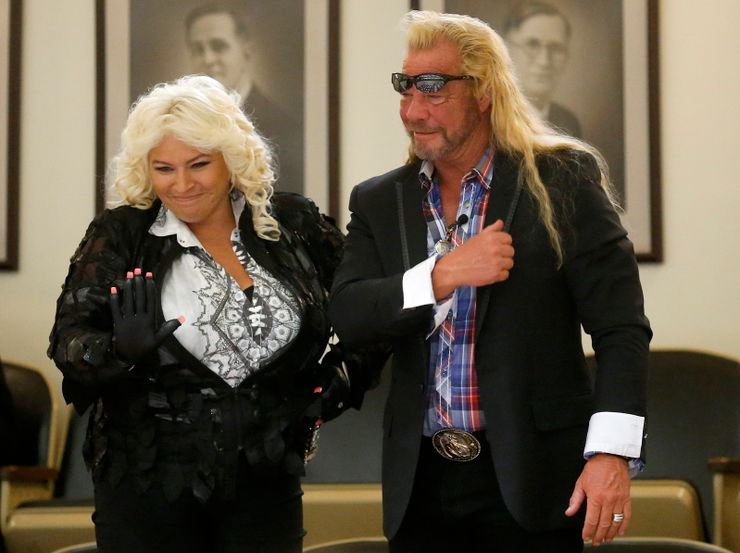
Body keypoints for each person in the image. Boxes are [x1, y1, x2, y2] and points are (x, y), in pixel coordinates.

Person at [329, 10, 650, 553]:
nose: (413, 111)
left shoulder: (562, 179)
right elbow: (350, 315)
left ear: (483, 91)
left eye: (433, 90)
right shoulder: (379, 200)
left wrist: (611, 454)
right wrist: (442, 274)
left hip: (534, 480)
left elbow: (621, 330)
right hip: (420, 485)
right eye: (405, 89)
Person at [48, 75, 378, 553]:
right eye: (163, 168)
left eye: (198, 164)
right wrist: (118, 350)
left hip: (265, 482)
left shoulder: (292, 222)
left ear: (231, 158)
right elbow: (68, 342)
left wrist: (329, 391)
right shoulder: (121, 233)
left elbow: (367, 309)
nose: (181, 184)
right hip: (147, 486)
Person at [184, 3, 303, 193]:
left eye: (218, 46)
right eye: (198, 49)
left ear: (246, 50)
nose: (208, 59)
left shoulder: (284, 127)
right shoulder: (180, 124)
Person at [504, 0, 582, 137]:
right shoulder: (489, 118)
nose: (544, 61)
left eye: (556, 48)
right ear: (507, 50)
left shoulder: (569, 122)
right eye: (532, 45)